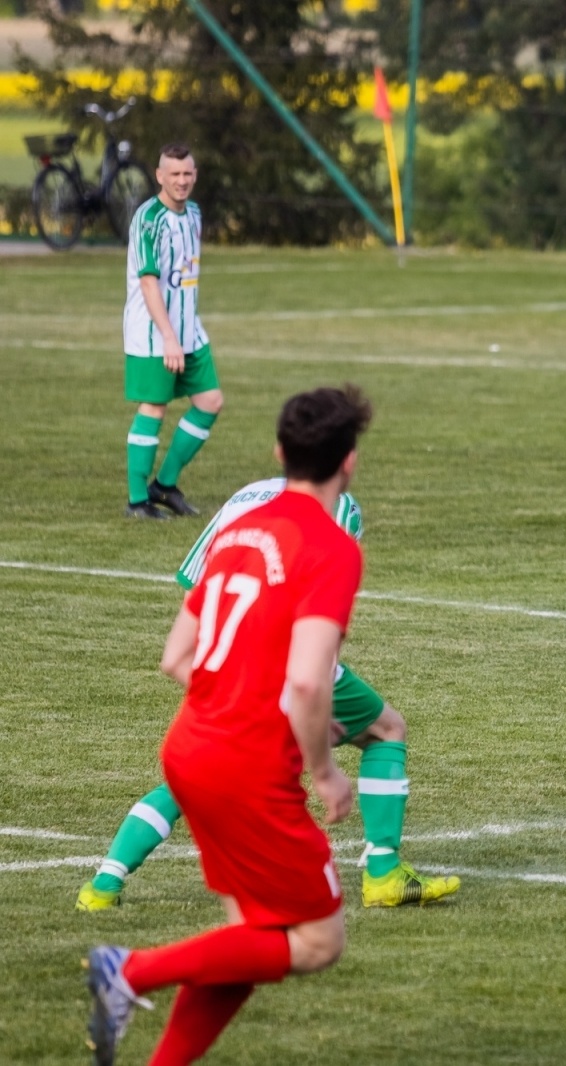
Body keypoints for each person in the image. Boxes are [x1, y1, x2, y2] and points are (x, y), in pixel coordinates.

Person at [86, 386, 370, 1065]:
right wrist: (326, 772)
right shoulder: (332, 547)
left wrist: (241, 699)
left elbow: (175, 656)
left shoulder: (239, 524)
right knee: (317, 942)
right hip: (246, 766)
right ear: (350, 464)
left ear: (278, 452)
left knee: (253, 934)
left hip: (190, 749)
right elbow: (307, 680)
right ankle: (129, 970)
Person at [76, 478, 459, 914]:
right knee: (386, 729)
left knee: (204, 767)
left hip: (218, 660)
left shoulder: (243, 496)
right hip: (291, 660)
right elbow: (322, 611)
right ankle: (384, 873)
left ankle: (105, 882)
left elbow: (192, 585)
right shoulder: (335, 507)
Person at [122, 143, 222, 520]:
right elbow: (149, 284)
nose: (181, 181)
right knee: (154, 407)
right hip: (153, 332)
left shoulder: (194, 213)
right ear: (159, 176)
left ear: (194, 176)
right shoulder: (149, 219)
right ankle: (136, 500)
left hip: (189, 331)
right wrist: (167, 337)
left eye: (187, 174)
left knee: (210, 401)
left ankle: (163, 485)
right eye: (174, 174)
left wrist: (183, 332)